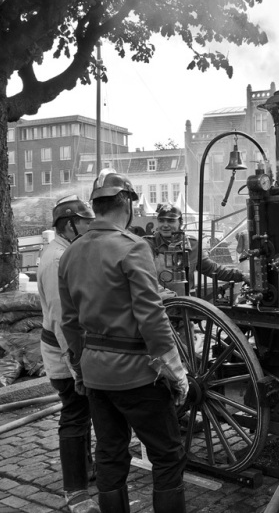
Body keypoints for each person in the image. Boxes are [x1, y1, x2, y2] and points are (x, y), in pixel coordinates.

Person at [58, 170, 189, 513]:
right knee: (167, 454)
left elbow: (69, 321)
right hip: (136, 373)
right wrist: (174, 370)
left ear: (96, 207)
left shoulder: (70, 253)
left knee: (110, 452)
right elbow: (151, 315)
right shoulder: (132, 247)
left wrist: (79, 369)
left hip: (95, 373)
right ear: (127, 204)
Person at [37, 195, 98, 513]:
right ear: (70, 224)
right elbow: (63, 322)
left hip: (68, 347)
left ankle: (86, 472)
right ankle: (75, 492)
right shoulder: (57, 259)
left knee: (83, 413)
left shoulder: (64, 251)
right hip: (64, 353)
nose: (89, 228)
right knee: (74, 417)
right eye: (85, 223)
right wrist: (77, 368)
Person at [144, 203, 246, 295]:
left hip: (184, 305)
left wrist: (241, 276)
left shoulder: (192, 245)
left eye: (171, 221)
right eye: (161, 221)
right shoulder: (146, 245)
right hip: (156, 305)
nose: (165, 225)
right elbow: (143, 280)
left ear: (181, 222)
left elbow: (212, 269)